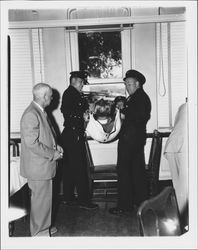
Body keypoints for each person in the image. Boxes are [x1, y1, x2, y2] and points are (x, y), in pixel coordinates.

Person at [20, 83, 63, 236]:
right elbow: (32, 143)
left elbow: (45, 136)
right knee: (40, 202)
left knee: (44, 202)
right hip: (38, 167)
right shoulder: (31, 114)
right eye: (51, 96)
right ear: (44, 96)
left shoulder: (39, 111)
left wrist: (56, 146)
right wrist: (52, 153)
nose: (52, 99)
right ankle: (39, 234)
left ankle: (45, 226)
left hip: (42, 166)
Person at [109, 69, 151, 215]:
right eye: (126, 84)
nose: (127, 86)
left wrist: (124, 108)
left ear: (137, 84)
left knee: (124, 171)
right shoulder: (136, 97)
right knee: (136, 172)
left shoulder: (139, 97)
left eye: (129, 84)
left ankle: (124, 205)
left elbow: (138, 117)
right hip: (134, 140)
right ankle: (139, 202)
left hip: (130, 141)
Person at [60, 71, 98, 210]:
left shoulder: (73, 93)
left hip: (71, 134)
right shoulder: (71, 93)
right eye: (81, 82)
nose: (83, 85)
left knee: (70, 168)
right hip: (74, 134)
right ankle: (83, 200)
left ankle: (68, 197)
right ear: (75, 81)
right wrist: (84, 113)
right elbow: (65, 111)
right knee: (80, 167)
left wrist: (86, 111)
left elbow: (74, 111)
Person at [164, 102, 188, 229]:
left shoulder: (183, 106)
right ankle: (184, 222)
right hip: (184, 146)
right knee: (185, 187)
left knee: (179, 186)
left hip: (173, 145)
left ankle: (180, 220)